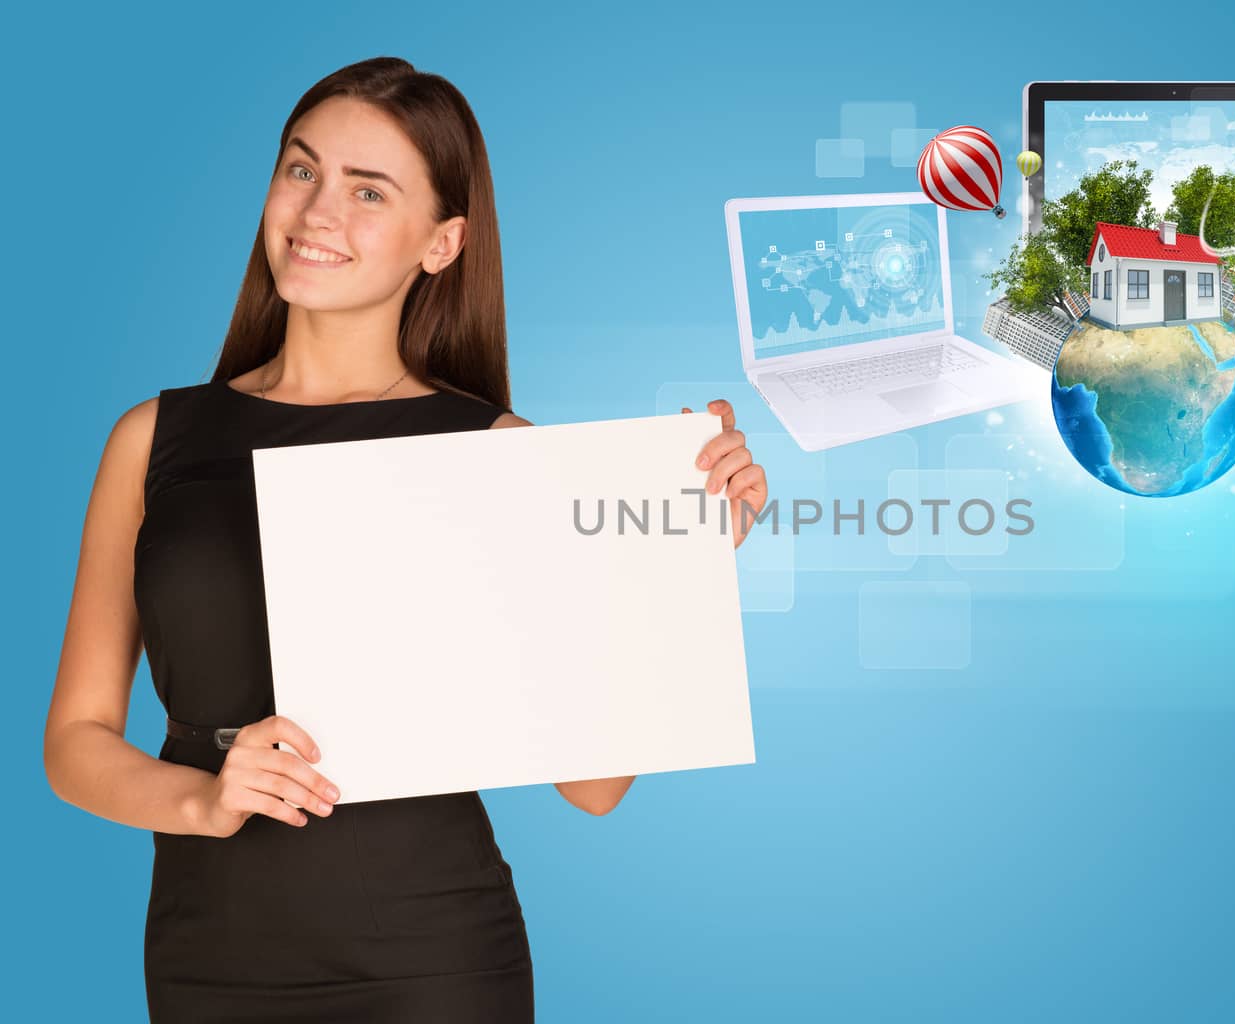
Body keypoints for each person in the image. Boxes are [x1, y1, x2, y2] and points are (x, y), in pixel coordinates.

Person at [40, 56, 768, 1022]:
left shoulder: (504, 455)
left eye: (368, 191)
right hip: (206, 952)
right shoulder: (152, 439)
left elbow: (593, 785)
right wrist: (202, 803)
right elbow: (74, 741)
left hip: (432, 960)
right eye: (301, 171)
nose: (316, 213)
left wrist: (681, 564)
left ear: (442, 243)